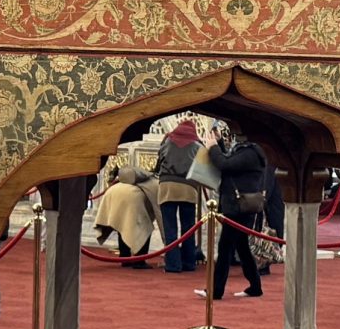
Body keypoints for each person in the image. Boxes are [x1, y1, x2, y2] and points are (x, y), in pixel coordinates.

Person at [204, 128, 268, 300]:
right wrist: (218, 143)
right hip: (239, 205)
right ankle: (255, 286)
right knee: (242, 247)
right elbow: (229, 162)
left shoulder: (250, 153)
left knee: (225, 248)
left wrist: (213, 147)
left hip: (239, 207)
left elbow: (225, 164)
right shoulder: (249, 151)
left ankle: (216, 290)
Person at [153, 126, 202, 274]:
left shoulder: (167, 141)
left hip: (167, 187)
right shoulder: (197, 145)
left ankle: (173, 265)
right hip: (188, 187)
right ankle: (189, 262)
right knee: (188, 228)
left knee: (170, 228)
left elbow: (159, 161)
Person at [92, 152, 156, 264]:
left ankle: (125, 257)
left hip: (113, 194)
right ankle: (139, 261)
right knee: (145, 228)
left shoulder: (119, 185)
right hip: (132, 199)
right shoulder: (155, 184)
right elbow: (159, 212)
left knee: (122, 225)